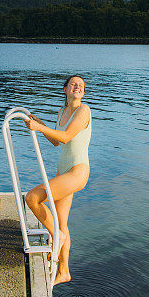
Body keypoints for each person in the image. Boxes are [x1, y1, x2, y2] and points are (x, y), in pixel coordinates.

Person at [23, 75, 91, 285]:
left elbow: (66, 136)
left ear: (83, 92)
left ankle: (57, 237)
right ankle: (64, 271)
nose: (78, 87)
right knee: (62, 222)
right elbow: (55, 140)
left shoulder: (84, 110)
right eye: (73, 84)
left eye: (81, 85)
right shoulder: (62, 112)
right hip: (63, 172)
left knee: (32, 198)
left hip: (77, 172)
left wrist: (39, 128)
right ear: (65, 89)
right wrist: (39, 123)